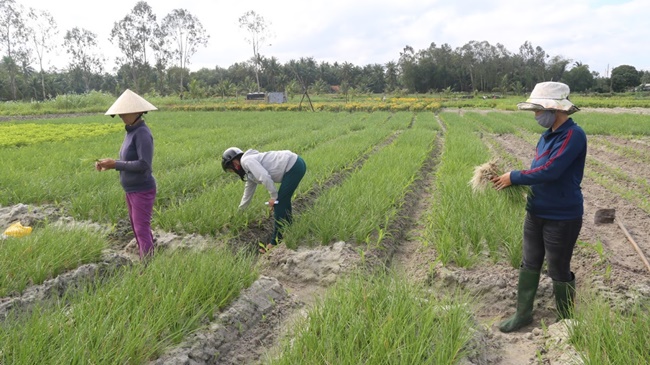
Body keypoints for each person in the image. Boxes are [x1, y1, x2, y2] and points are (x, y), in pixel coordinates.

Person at [491, 81, 587, 333]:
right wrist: (516, 183)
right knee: (530, 262)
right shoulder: (546, 137)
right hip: (536, 211)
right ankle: (522, 314)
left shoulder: (573, 135)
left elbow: (551, 171)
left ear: (554, 109)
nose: (535, 115)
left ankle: (566, 321)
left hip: (562, 216)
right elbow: (538, 171)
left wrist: (514, 176)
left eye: (538, 109)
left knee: (558, 268)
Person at [96, 89, 158, 261]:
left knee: (141, 228)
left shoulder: (142, 134)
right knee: (137, 227)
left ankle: (148, 265)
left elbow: (144, 164)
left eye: (124, 113)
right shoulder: (131, 132)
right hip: (131, 189)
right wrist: (107, 164)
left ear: (136, 112)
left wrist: (115, 164)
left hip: (142, 189)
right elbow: (127, 160)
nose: (121, 116)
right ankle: (147, 257)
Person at [221, 147, 307, 253]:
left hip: (293, 166)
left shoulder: (246, 161)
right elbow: (247, 193)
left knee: (279, 203)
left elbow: (264, 176)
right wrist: (240, 212)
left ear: (234, 163)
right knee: (284, 201)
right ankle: (289, 227)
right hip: (295, 164)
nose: (233, 172)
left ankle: (275, 242)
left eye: (231, 170)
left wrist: (273, 197)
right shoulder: (249, 171)